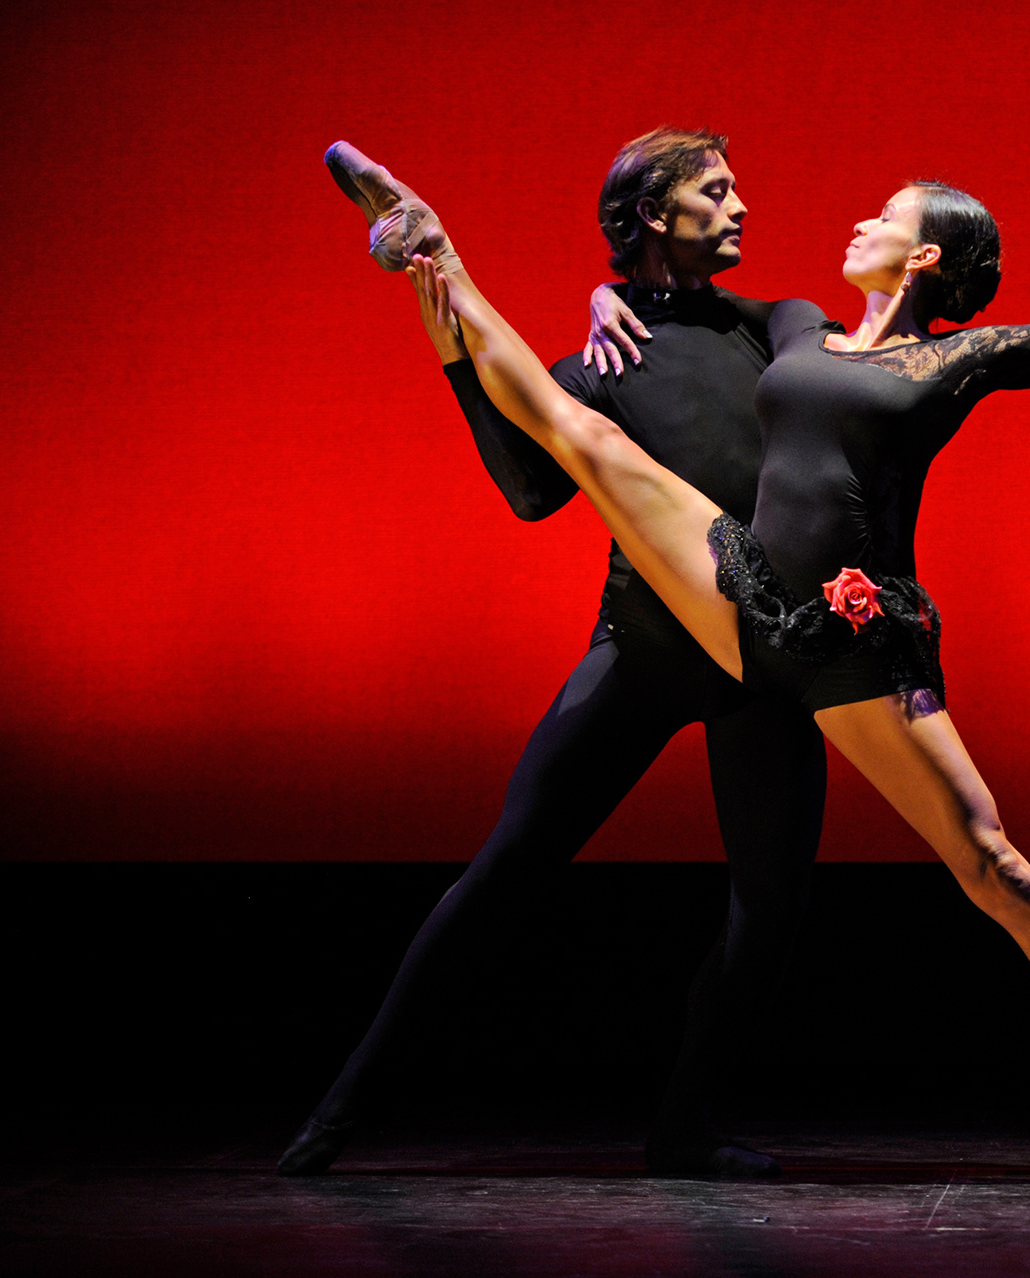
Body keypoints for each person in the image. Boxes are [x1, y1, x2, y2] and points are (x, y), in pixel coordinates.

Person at [330, 140, 1030, 1186]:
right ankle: (438, 255)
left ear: (923, 260)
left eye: (886, 219)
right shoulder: (792, 326)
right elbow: (685, 319)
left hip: (850, 635)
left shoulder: (944, 361)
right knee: (588, 439)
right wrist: (612, 303)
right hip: (737, 584)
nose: (857, 225)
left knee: (995, 866)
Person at [282, 130, 827, 1180]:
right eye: (715, 191)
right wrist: (466, 353)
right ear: (656, 218)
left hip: (761, 662)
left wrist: (609, 293)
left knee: (772, 906)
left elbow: (818, 360)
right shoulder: (595, 368)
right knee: (504, 872)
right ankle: (341, 1112)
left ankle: (684, 1127)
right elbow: (532, 494)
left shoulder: (778, 327)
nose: (742, 204)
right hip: (646, 647)